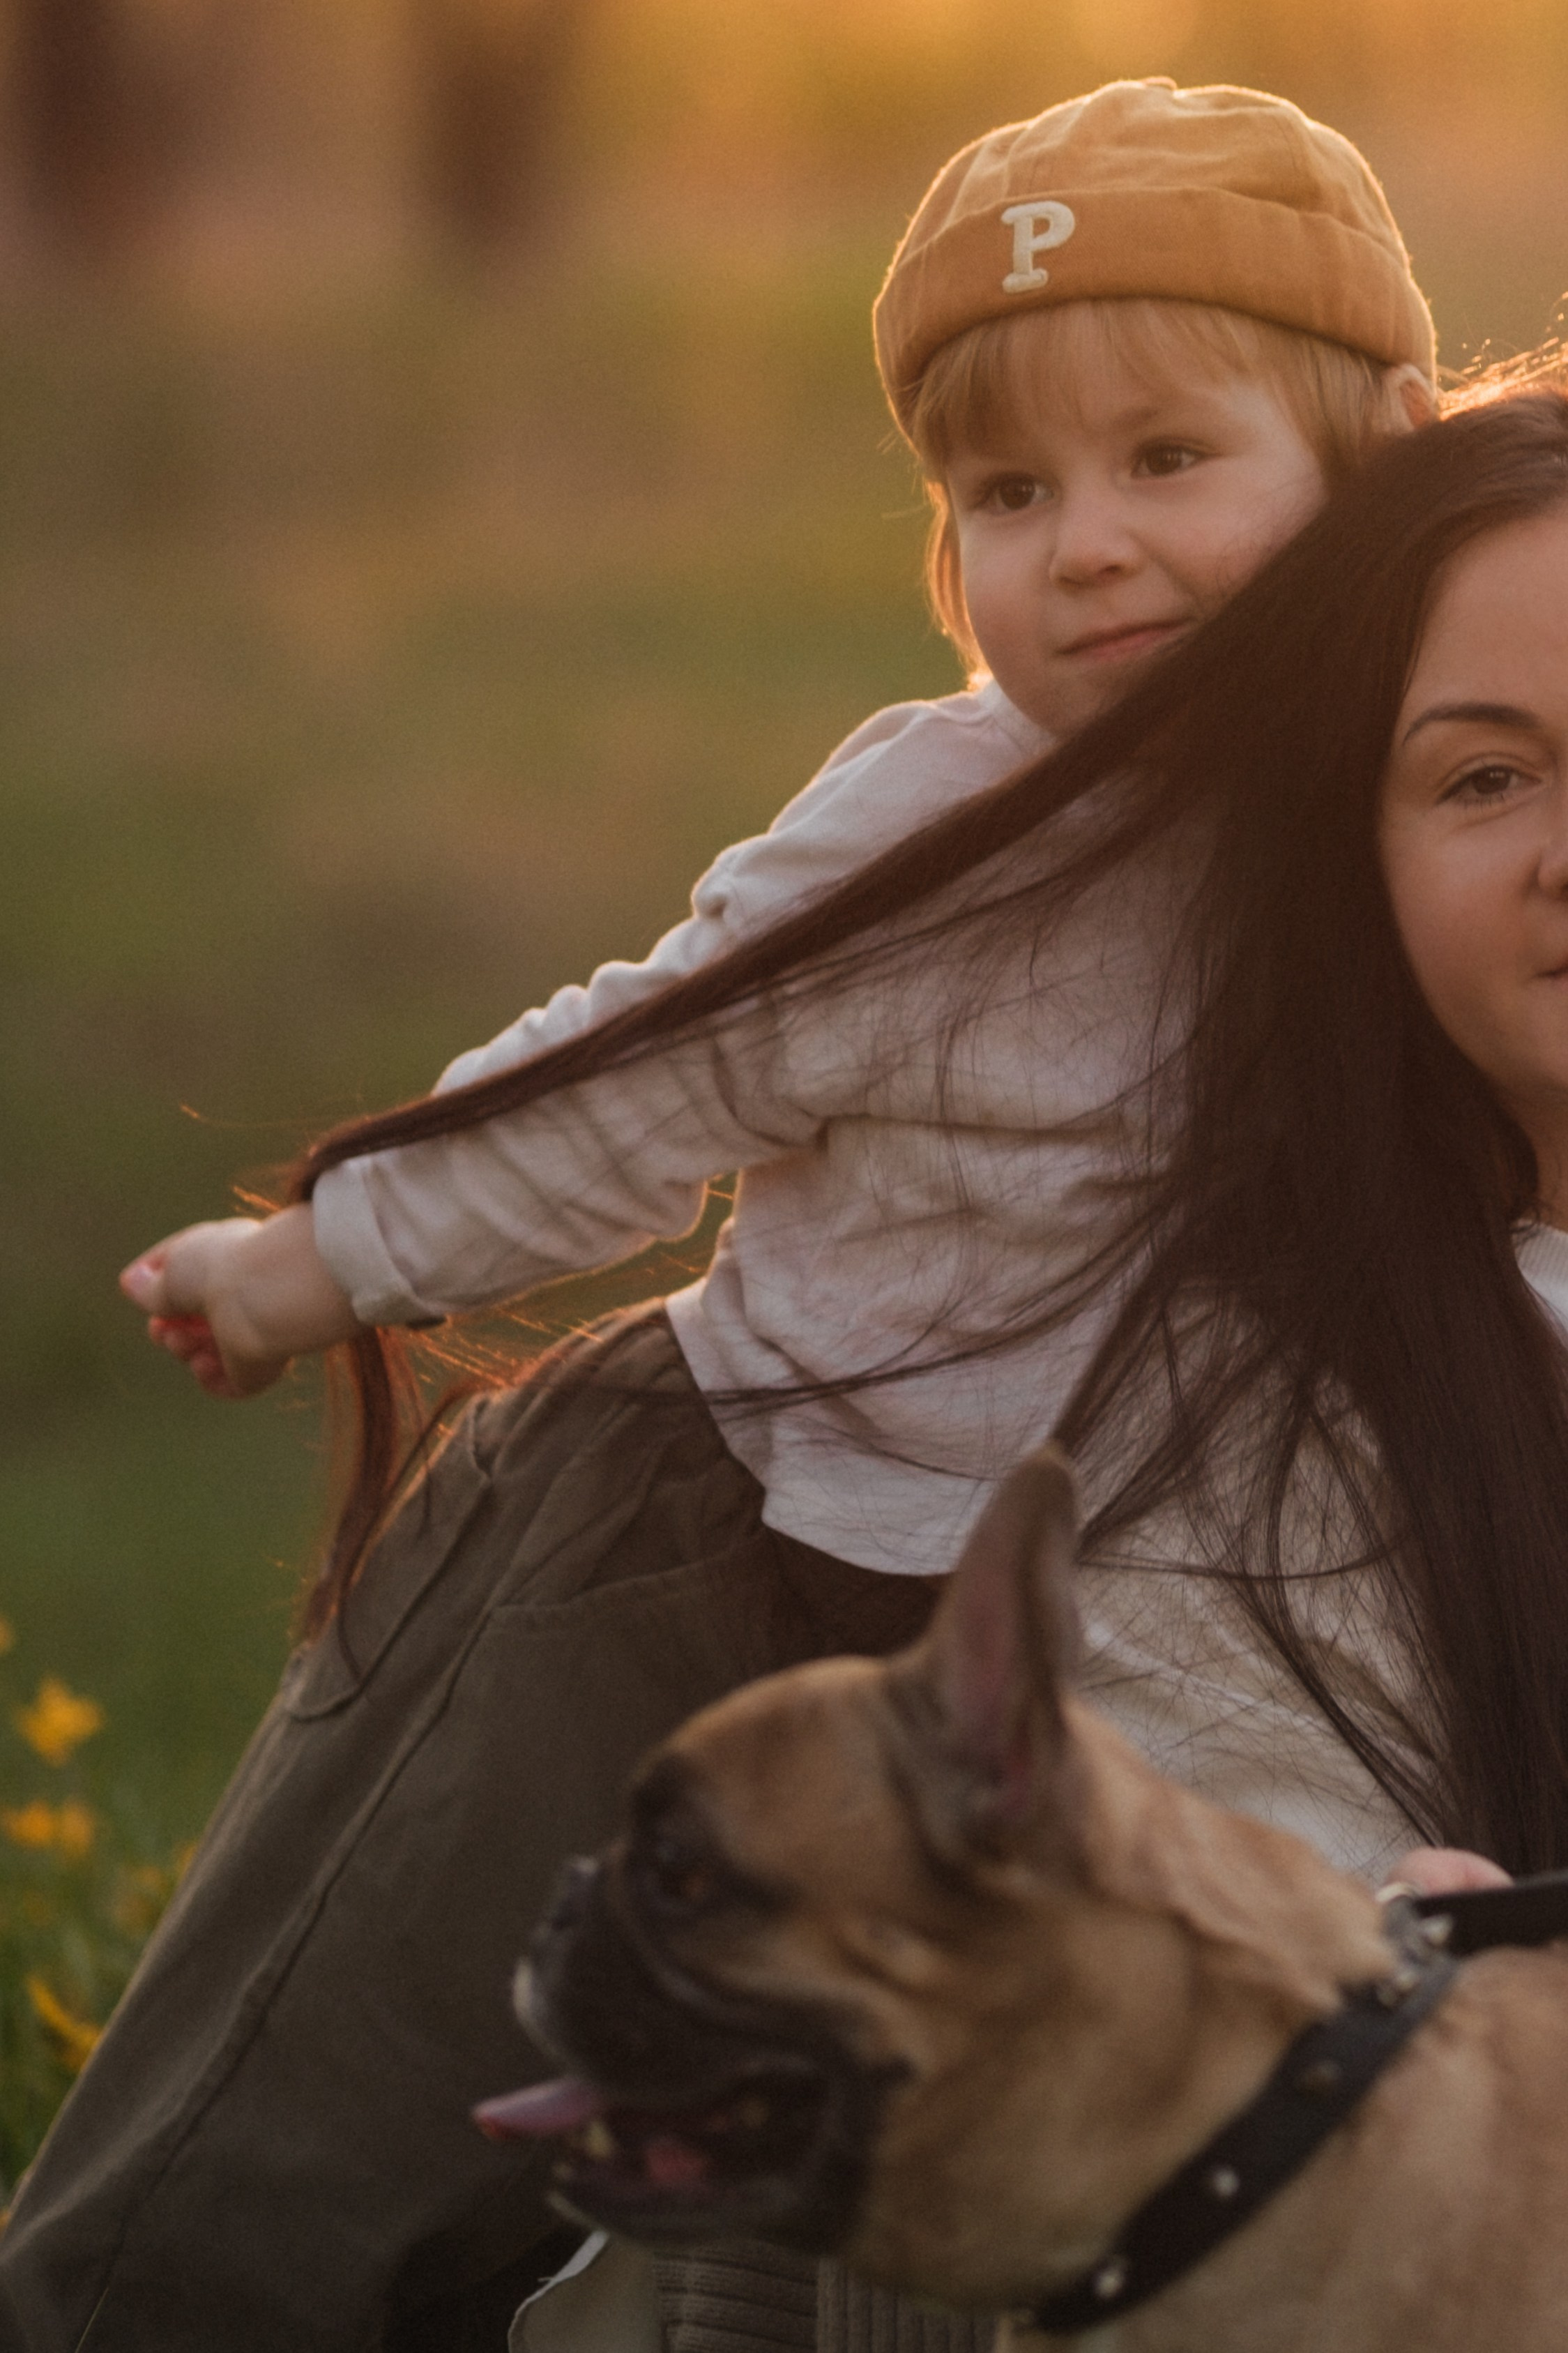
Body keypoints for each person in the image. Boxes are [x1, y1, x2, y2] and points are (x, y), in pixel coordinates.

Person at [0, 82, 1439, 2353]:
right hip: (733, 1509)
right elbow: (649, 1068)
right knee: (296, 2156)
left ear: (1368, 457)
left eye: (1171, 459)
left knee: (841, 2228)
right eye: (1007, 493)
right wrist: (325, 1256)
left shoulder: (1423, 786)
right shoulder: (936, 825)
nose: (1083, 547)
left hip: (1118, 1622)